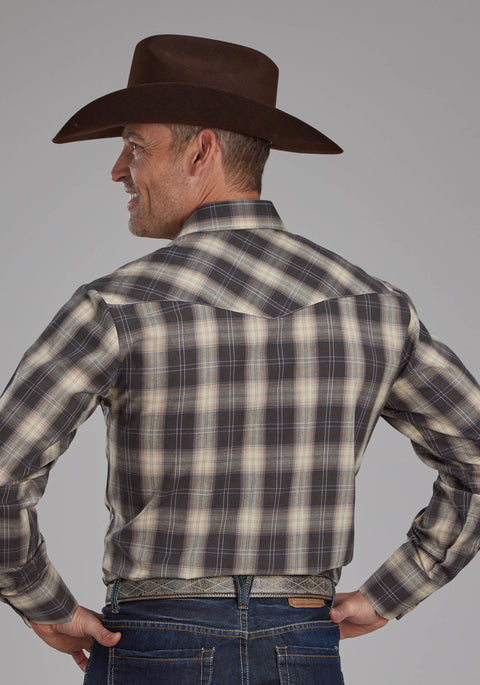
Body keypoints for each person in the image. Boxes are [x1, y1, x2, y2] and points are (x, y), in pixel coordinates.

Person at [0, 34, 479, 685]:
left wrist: (43, 602)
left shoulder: (117, 305)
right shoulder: (374, 309)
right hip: (304, 642)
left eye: (135, 146)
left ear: (201, 151)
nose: (118, 169)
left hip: (155, 642)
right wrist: (394, 590)